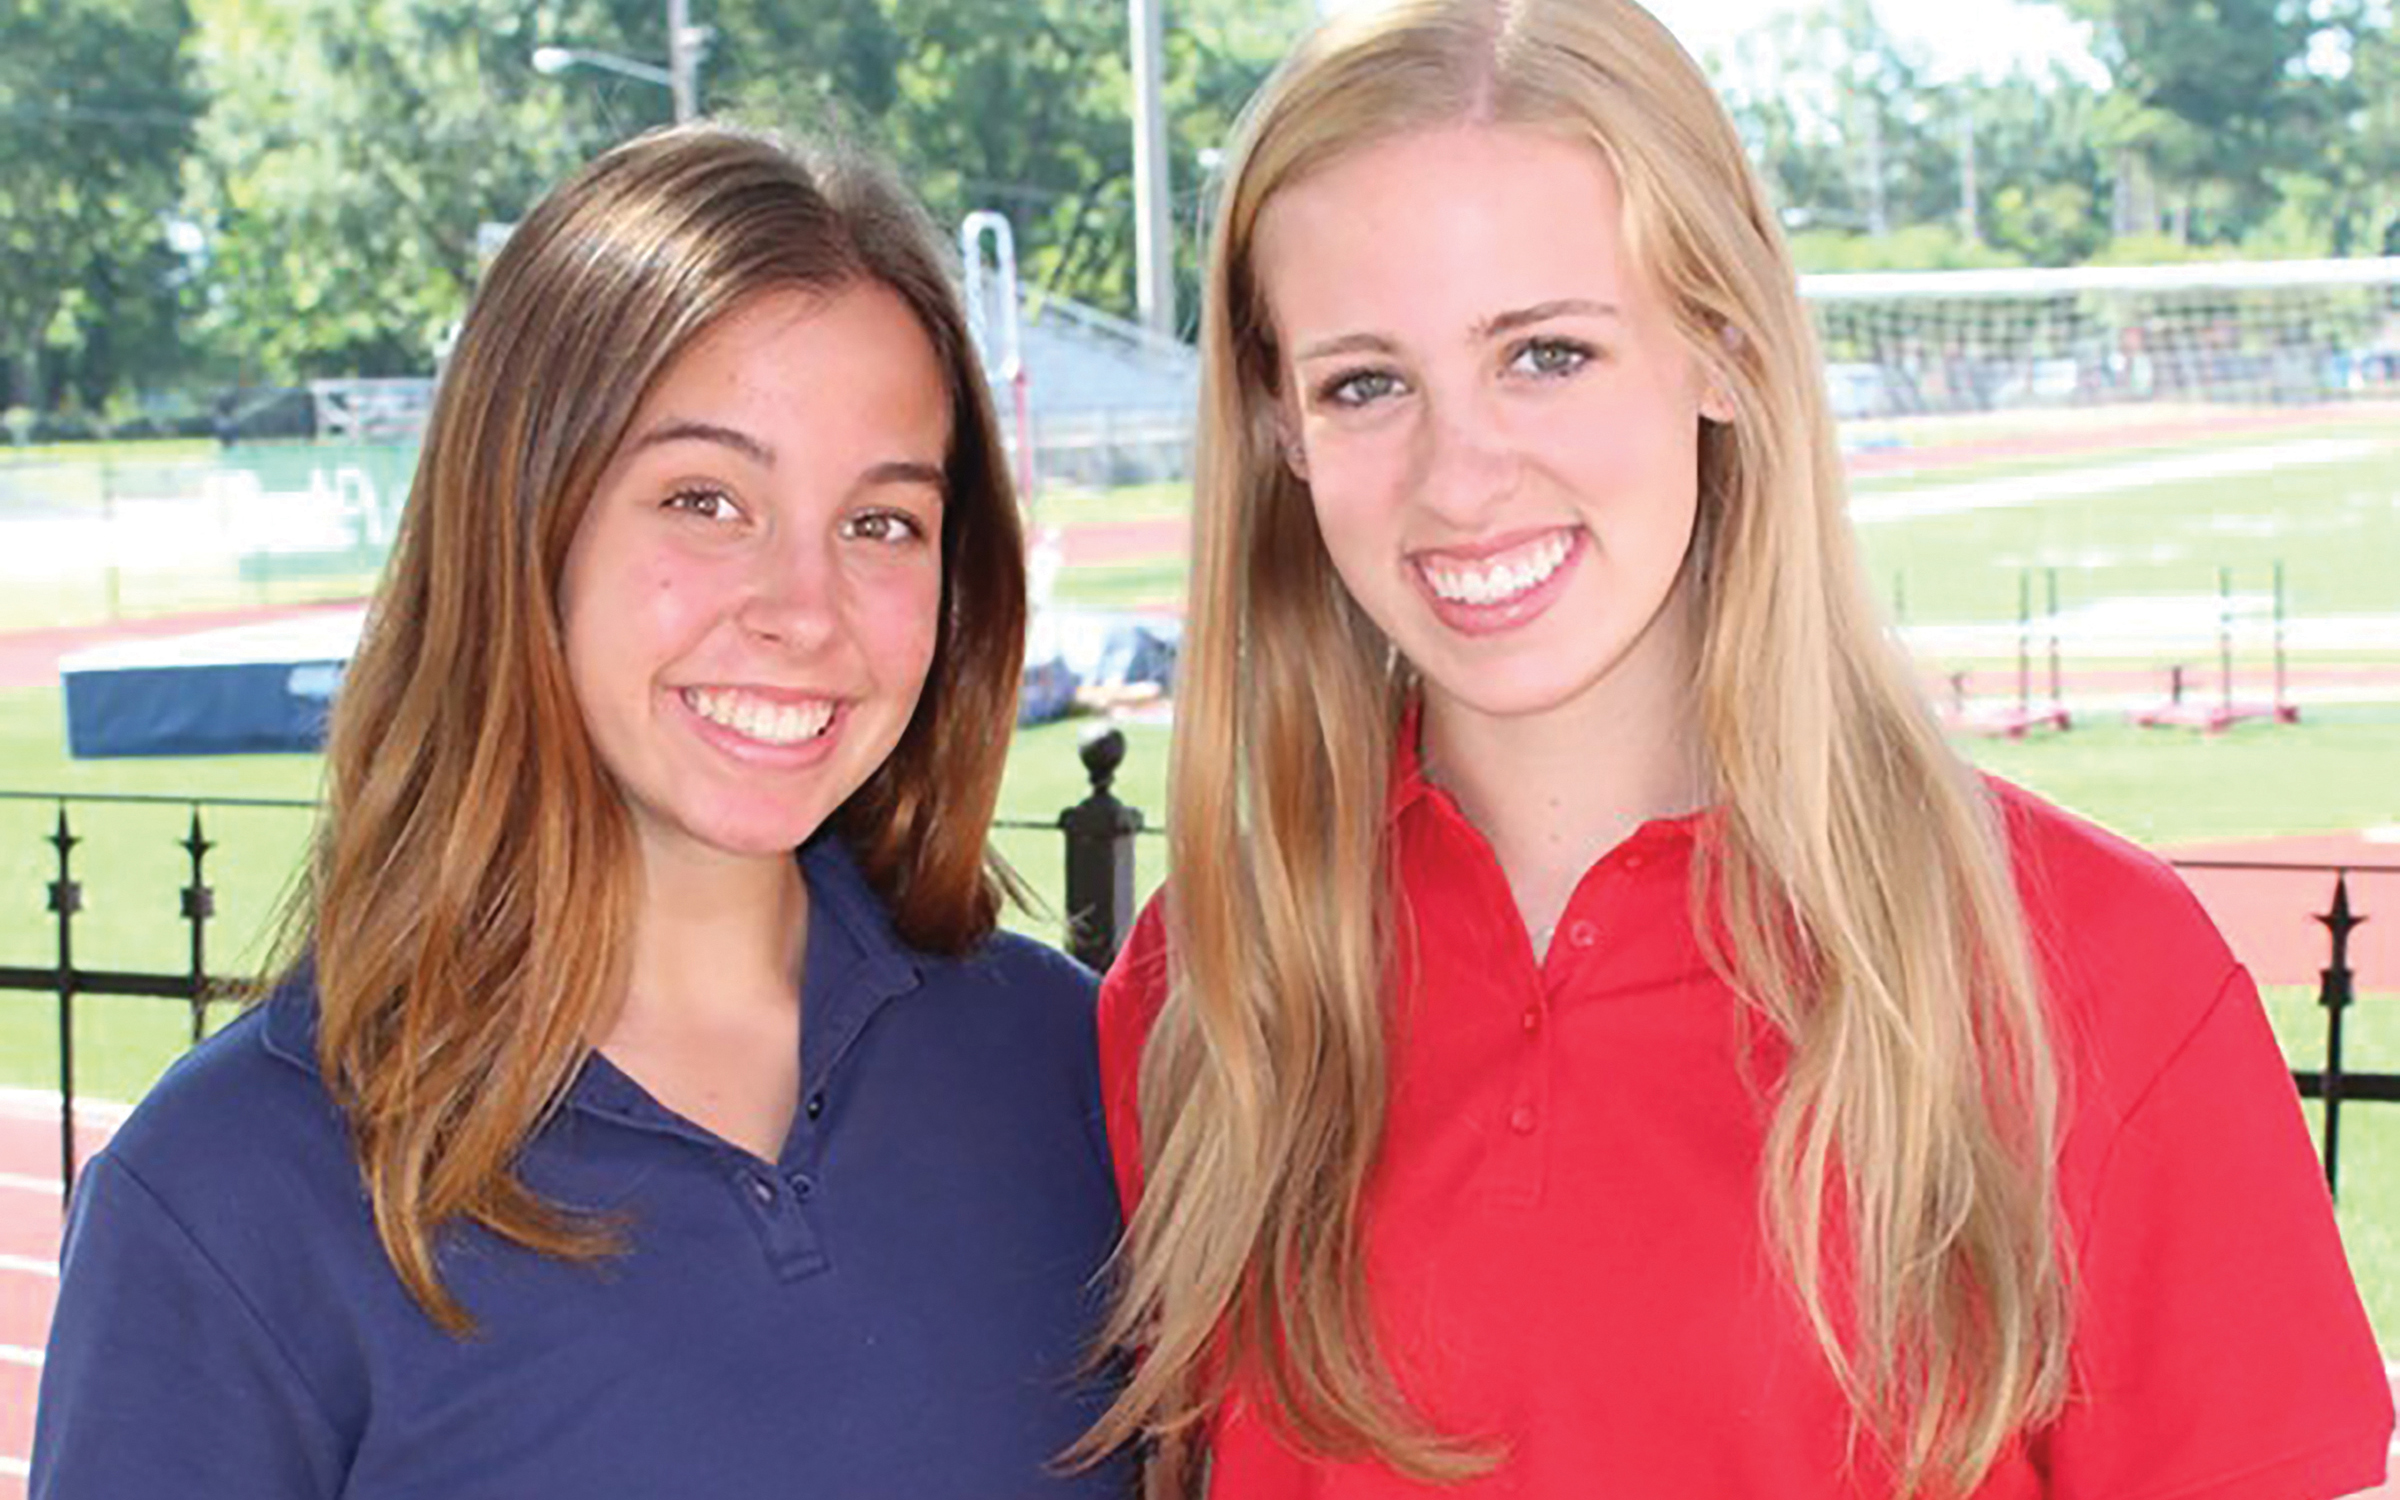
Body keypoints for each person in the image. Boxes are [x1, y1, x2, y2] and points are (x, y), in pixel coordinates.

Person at [1077, 2, 2395, 1496]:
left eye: (1548, 353)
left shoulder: (2090, 974)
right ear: (1281, 427)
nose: (1461, 478)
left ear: (1722, 344)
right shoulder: (1212, 991)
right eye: (1366, 383)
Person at [36, 125, 1130, 1500]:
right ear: (521, 525)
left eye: (881, 522)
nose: (804, 612)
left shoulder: (1064, 1064)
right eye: (705, 500)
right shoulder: (233, 1196)